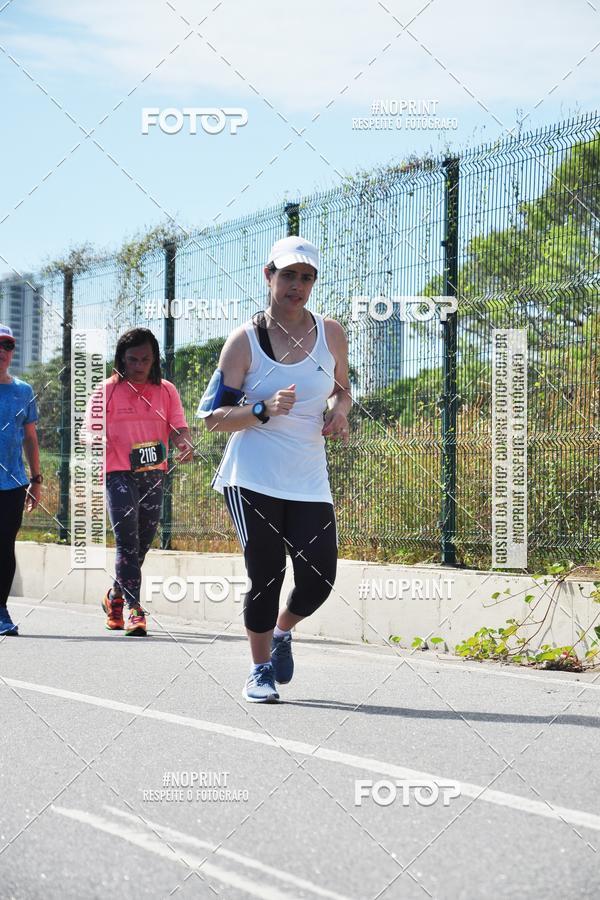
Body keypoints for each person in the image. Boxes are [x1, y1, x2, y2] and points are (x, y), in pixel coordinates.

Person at [198, 236, 352, 702]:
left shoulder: (332, 333)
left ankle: (283, 631)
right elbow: (210, 418)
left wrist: (341, 410)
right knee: (266, 572)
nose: (296, 286)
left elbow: (342, 389)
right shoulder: (245, 341)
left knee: (319, 576)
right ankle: (259, 669)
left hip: (307, 476)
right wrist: (262, 410)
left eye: (306, 277)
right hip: (253, 476)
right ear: (269, 276)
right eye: (287, 275)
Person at [89, 327, 193, 637]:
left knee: (142, 541)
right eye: (132, 359)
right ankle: (135, 608)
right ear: (121, 359)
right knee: (127, 542)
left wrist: (183, 444)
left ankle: (114, 597)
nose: (138, 366)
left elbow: (178, 430)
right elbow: (88, 431)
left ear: (154, 360)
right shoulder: (105, 391)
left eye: (145, 360)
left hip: (153, 472)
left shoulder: (166, 391)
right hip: (118, 472)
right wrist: (98, 437)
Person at [0, 325, 41, 636]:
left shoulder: (23, 392)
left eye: (7, 345)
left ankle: (1, 611)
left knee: (4, 547)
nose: (2, 350)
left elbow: (30, 437)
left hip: (12, 484)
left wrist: (36, 479)